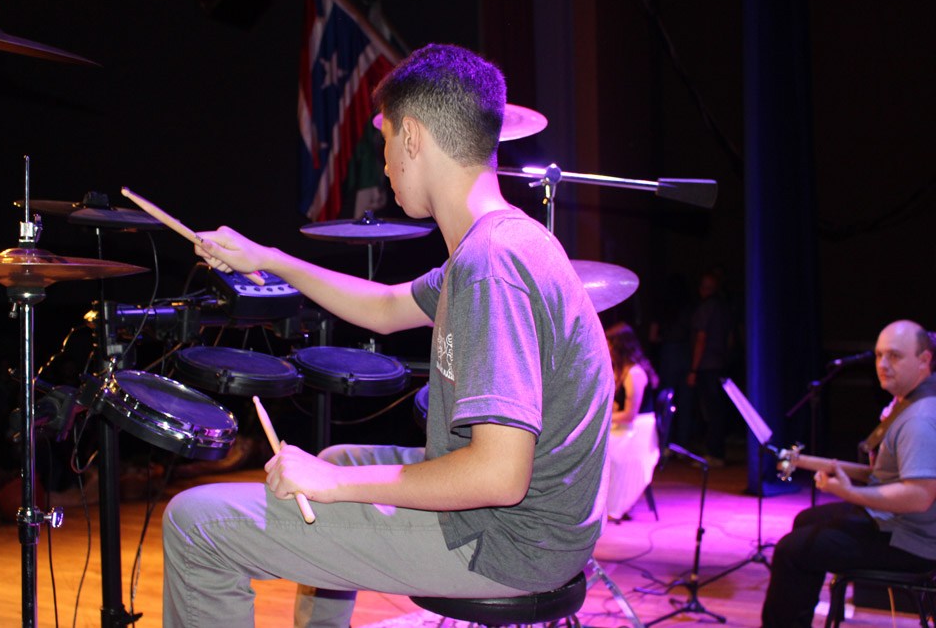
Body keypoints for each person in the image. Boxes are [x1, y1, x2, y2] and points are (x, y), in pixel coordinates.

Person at [160, 43, 614, 627]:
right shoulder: (501, 243)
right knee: (338, 457)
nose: (384, 165)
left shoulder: (491, 266)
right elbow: (383, 307)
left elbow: (499, 476)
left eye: (385, 143)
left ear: (412, 137)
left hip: (505, 544)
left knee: (196, 522)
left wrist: (336, 485)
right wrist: (268, 258)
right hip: (537, 532)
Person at [761, 319, 936, 627]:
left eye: (895, 356)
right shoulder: (911, 401)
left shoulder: (918, 419)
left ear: (924, 360)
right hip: (900, 526)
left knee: (791, 551)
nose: (882, 365)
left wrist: (849, 492)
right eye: (879, 355)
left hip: (912, 543)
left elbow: (919, 496)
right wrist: (821, 465)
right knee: (805, 522)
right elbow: (889, 476)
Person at [604, 322, 660, 521]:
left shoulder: (634, 373)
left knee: (603, 449)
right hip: (626, 426)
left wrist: (604, 418)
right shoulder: (620, 370)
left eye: (610, 345)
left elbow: (629, 415)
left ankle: (613, 506)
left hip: (639, 429)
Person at [685, 270, 734, 466]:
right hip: (720, 363)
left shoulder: (706, 309)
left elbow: (701, 339)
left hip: (707, 366)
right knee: (717, 410)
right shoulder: (723, 308)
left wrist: (693, 369)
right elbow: (730, 338)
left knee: (712, 412)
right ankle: (716, 452)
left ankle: (715, 454)